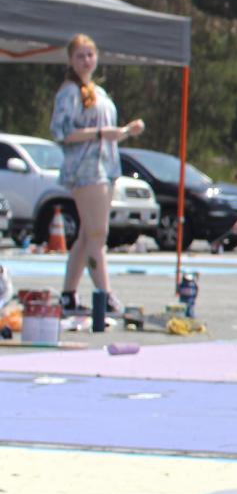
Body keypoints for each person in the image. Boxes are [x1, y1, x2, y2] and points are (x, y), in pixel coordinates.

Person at [50, 34, 143, 313]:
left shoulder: (98, 92)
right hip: (86, 171)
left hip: (106, 167)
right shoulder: (69, 92)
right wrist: (102, 133)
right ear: (70, 60)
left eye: (90, 54)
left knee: (86, 236)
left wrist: (126, 131)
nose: (86, 60)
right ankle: (105, 292)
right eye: (80, 55)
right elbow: (61, 132)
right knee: (97, 234)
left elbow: (107, 133)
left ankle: (69, 293)